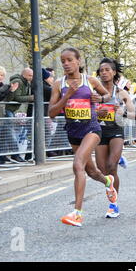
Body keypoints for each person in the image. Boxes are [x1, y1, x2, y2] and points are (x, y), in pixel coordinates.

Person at [49, 47, 114, 227]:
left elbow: (107, 94)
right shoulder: (58, 84)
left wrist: (100, 100)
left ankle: (77, 213)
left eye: (70, 60)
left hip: (92, 128)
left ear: (78, 61)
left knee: (78, 164)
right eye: (63, 61)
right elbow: (52, 113)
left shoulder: (90, 80)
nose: (66, 64)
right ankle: (108, 181)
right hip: (73, 131)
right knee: (91, 171)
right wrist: (67, 96)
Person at [94, 57, 135, 218]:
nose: (104, 73)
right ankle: (119, 158)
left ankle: (113, 205)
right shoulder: (94, 92)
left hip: (116, 130)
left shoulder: (121, 92)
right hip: (99, 131)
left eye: (107, 70)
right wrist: (97, 113)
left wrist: (122, 111)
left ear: (114, 72)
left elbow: (133, 114)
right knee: (102, 171)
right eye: (101, 70)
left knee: (111, 166)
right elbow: (88, 112)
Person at [5, 68, 34, 162]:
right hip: (10, 109)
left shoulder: (26, 83)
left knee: (15, 133)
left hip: (15, 110)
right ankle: (15, 154)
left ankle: (14, 154)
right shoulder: (18, 81)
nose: (32, 77)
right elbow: (16, 97)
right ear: (24, 74)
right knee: (11, 133)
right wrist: (31, 98)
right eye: (30, 75)